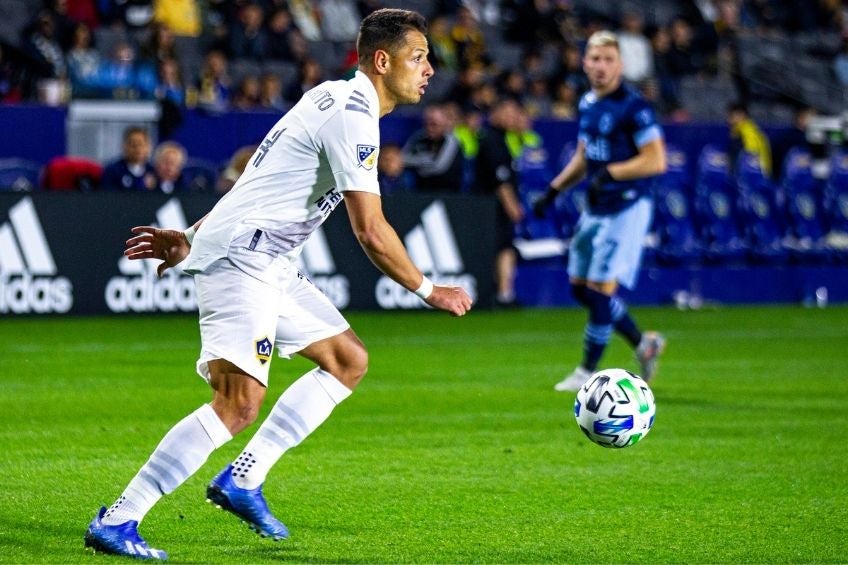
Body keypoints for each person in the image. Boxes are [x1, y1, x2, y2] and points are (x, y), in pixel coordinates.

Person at [84, 9, 472, 560]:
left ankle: (243, 480)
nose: (430, 69)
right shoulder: (353, 115)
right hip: (245, 259)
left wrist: (191, 235)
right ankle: (120, 519)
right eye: (419, 57)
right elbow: (370, 231)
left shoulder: (330, 97)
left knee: (346, 360)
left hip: (268, 259)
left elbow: (256, 183)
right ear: (382, 61)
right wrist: (430, 289)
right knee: (238, 402)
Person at [532, 30, 667, 392]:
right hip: (596, 205)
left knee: (602, 291)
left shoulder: (634, 106)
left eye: (609, 59)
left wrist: (611, 172)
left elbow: (656, 160)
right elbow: (583, 155)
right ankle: (643, 343)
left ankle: (586, 371)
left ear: (620, 65)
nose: (601, 66)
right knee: (581, 288)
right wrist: (553, 190)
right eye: (595, 59)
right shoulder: (588, 102)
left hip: (627, 206)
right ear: (584, 63)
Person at [475, 97, 524, 307]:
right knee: (503, 248)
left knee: (502, 248)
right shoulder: (493, 140)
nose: (513, 118)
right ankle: (503, 294)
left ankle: (500, 292)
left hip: (492, 207)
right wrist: (512, 205)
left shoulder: (500, 138)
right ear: (497, 113)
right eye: (509, 112)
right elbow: (500, 178)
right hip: (493, 207)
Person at [401, 104, 464, 192]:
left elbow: (439, 166)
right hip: (422, 188)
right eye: (426, 124)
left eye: (434, 125)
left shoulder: (452, 140)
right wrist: (426, 160)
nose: (429, 128)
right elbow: (402, 159)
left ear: (444, 124)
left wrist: (419, 167)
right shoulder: (419, 137)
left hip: (447, 191)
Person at [100, 126, 157, 191]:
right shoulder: (112, 171)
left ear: (148, 147)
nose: (137, 149)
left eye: (141, 144)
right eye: (133, 145)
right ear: (124, 146)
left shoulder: (154, 171)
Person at [726, 101, 772, 178]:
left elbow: (751, 156)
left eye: (731, 116)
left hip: (753, 177)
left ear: (741, 115)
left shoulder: (748, 132)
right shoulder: (741, 131)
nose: (728, 119)